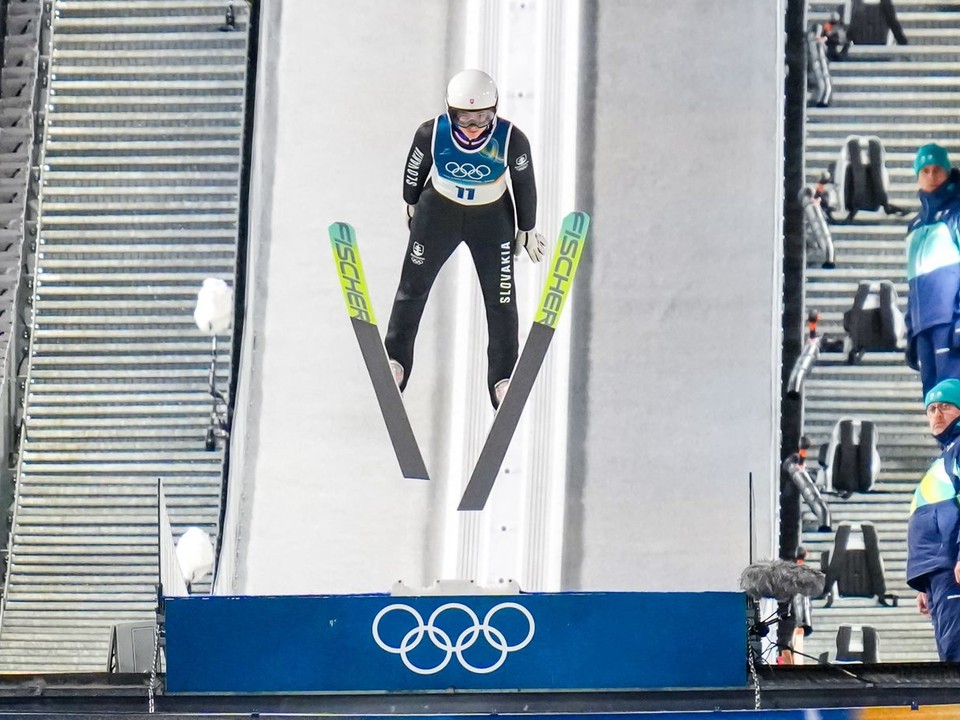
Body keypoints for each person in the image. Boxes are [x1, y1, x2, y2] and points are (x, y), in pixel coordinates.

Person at [385, 69, 544, 408]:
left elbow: (525, 183)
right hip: (438, 211)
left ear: (495, 111)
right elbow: (415, 166)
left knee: (501, 299)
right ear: (450, 112)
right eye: (464, 119)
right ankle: (396, 360)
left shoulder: (511, 139)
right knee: (412, 286)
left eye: (482, 118)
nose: (473, 128)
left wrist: (526, 227)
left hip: (490, 218)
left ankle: (502, 377)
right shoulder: (432, 132)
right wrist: (410, 200)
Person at [907, 378, 960, 662]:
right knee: (949, 656)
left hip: (953, 571)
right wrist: (927, 583)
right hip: (942, 574)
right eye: (932, 408)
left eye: (946, 407)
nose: (937, 415)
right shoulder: (946, 456)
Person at [904, 143, 960, 397]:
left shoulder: (956, 214)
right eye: (924, 170)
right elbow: (913, 283)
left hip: (949, 325)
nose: (931, 176)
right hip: (924, 328)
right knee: (935, 403)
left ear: (948, 172)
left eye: (937, 169)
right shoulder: (915, 226)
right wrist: (910, 332)